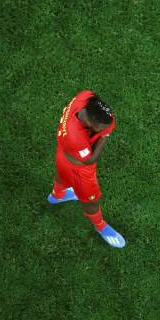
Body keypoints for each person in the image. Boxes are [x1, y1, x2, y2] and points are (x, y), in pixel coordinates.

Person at [47, 90, 125, 248]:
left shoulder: (85, 96)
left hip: (63, 152)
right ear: (90, 122)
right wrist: (104, 136)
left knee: (61, 175)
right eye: (102, 127)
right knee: (91, 200)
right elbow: (90, 159)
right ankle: (100, 226)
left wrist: (104, 129)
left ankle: (57, 195)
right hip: (79, 168)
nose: (107, 127)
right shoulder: (76, 138)